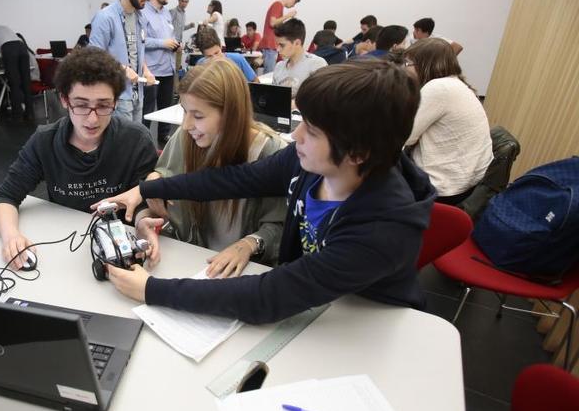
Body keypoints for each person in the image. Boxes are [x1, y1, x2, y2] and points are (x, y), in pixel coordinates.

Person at [95, 60, 433, 324]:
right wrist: (146, 188)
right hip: (320, 304)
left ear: (358, 153)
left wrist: (152, 290)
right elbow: (230, 180)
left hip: (367, 321)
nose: (296, 135)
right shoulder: (309, 164)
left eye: (311, 130)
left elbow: (268, 296)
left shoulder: (382, 229)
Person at [0, 47, 158, 269]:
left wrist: (143, 224)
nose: (92, 119)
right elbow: (5, 197)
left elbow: (143, 201)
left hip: (122, 249)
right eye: (80, 105)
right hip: (63, 248)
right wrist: (11, 236)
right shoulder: (45, 142)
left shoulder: (136, 139)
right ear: (64, 100)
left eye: (103, 105)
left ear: (115, 101)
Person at [135, 60, 287, 277]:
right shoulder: (186, 138)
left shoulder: (271, 151)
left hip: (244, 275)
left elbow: (280, 227)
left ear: (231, 113)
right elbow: (159, 200)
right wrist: (144, 218)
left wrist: (249, 244)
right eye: (185, 111)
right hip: (191, 261)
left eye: (198, 116)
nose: (186, 125)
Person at [403, 38, 492, 205]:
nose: (404, 69)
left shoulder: (439, 88)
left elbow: (405, 136)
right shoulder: (454, 83)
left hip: (444, 187)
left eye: (408, 64)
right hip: (466, 181)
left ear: (425, 65)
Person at [89, 0, 156, 122]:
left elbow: (139, 51)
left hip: (137, 93)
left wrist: (145, 70)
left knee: (134, 141)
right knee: (120, 143)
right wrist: (123, 69)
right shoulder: (105, 17)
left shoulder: (141, 17)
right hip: (117, 95)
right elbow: (93, 56)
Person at [140, 0, 179, 140]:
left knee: (166, 107)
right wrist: (163, 43)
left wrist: (176, 43)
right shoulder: (142, 13)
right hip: (152, 72)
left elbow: (170, 35)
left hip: (168, 69)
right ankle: (143, 139)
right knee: (148, 110)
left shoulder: (166, 14)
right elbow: (141, 40)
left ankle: (164, 136)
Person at [0, 25, 35, 120]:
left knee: (14, 84)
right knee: (26, 83)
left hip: (9, 50)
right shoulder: (2, 28)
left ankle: (17, 115)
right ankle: (30, 113)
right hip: (22, 48)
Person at [271, 19, 327, 95]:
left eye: (282, 45)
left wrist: (292, 104)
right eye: (277, 45)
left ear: (297, 43)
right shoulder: (279, 66)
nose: (278, 49)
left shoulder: (317, 64)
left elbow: (319, 98)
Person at [259, 0, 301, 73]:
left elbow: (276, 25)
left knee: (270, 73)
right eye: (295, 2)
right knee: (269, 74)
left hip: (272, 45)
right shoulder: (278, 4)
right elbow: (273, 23)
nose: (293, 5)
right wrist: (288, 15)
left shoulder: (279, 6)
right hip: (270, 44)